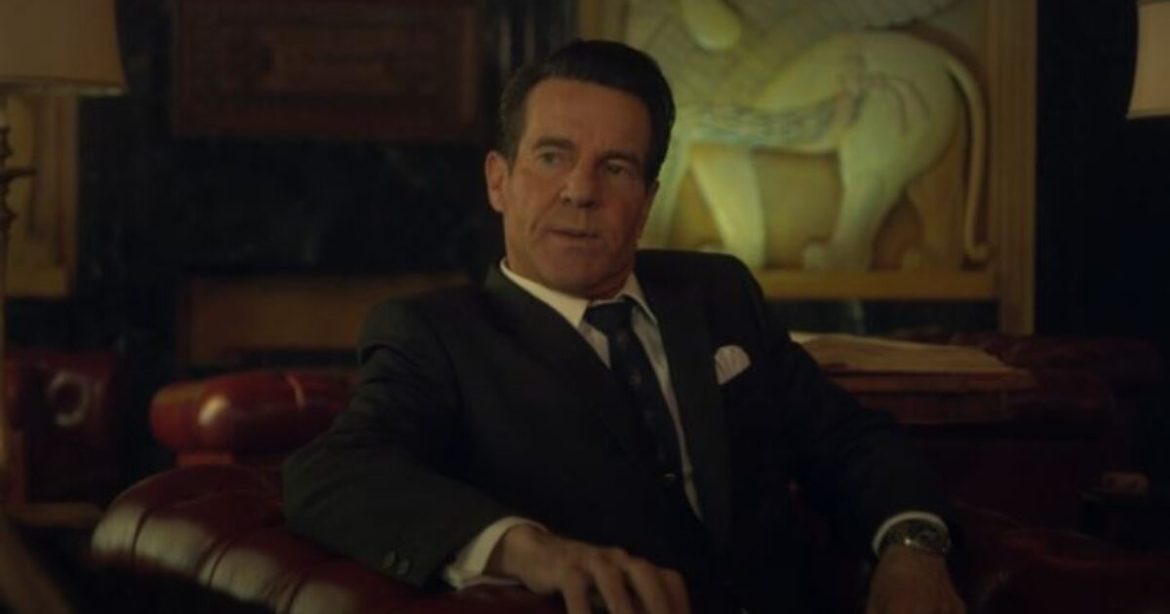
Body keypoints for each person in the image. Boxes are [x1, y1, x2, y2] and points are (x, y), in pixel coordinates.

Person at [284, 39, 965, 614]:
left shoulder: (718, 292)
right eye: (552, 156)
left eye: (615, 167)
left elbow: (849, 440)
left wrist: (912, 549)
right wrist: (528, 549)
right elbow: (333, 473)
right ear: (499, 181)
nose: (581, 191)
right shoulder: (436, 335)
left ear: (646, 202)